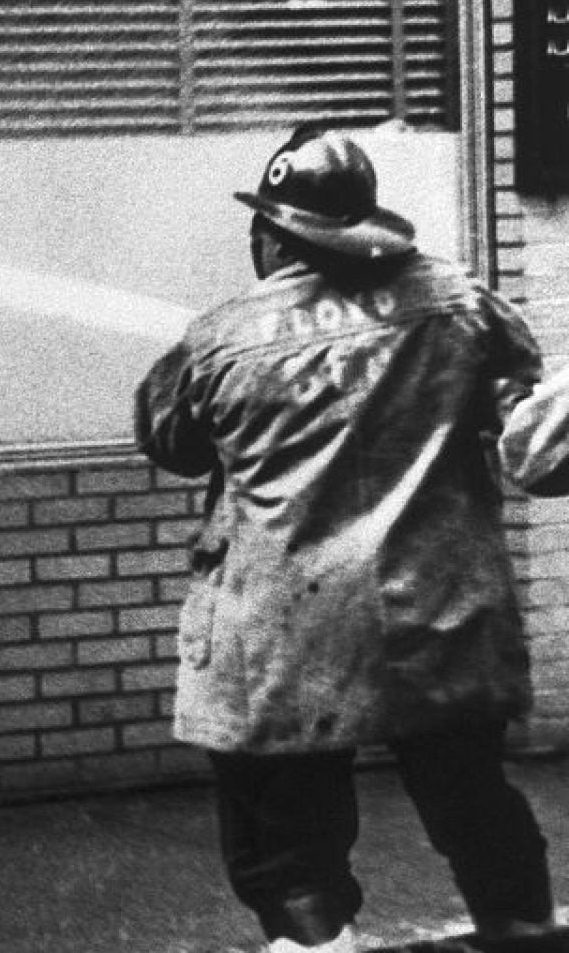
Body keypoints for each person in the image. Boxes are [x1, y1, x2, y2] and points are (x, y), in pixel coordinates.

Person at [133, 126, 556, 953]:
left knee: (285, 838)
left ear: (270, 235)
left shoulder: (218, 338)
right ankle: (525, 932)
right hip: (439, 614)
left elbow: (172, 444)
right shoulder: (459, 302)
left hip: (286, 631)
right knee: (476, 803)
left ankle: (320, 942)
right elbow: (524, 420)